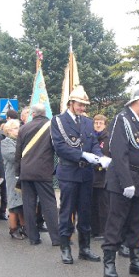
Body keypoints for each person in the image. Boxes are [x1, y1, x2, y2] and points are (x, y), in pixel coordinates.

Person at [101, 84, 139, 277]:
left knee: (135, 223)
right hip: (122, 182)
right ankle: (109, 262)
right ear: (138, 101)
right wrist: (126, 182)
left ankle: (135, 261)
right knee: (116, 222)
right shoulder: (121, 119)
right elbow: (118, 152)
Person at [51, 86, 106, 264]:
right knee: (67, 212)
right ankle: (65, 248)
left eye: (84, 105)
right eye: (80, 105)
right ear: (71, 103)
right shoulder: (58, 121)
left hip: (86, 174)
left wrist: (100, 157)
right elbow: (60, 147)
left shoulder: (88, 122)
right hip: (69, 172)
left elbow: (94, 143)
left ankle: (85, 248)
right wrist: (82, 155)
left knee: (85, 212)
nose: (82, 108)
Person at [15, 103, 61, 246]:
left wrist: (18, 172)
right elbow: (57, 149)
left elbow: (18, 153)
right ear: (44, 112)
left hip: (26, 171)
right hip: (43, 171)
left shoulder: (23, 128)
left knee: (29, 205)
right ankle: (56, 238)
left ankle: (33, 238)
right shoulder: (51, 126)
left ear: (33, 114)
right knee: (49, 205)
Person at [1, 119, 26, 239]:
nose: (18, 130)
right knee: (14, 203)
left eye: (19, 127)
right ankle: (13, 228)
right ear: (9, 130)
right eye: (15, 128)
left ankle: (24, 226)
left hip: (23, 174)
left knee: (22, 203)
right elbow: (12, 157)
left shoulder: (21, 141)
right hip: (12, 176)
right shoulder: (6, 142)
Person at [91, 114, 110, 241]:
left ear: (105, 125)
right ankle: (94, 229)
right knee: (92, 205)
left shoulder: (107, 138)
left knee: (103, 205)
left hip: (103, 176)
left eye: (100, 123)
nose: (98, 125)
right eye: (96, 122)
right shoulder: (91, 136)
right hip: (91, 176)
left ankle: (104, 230)